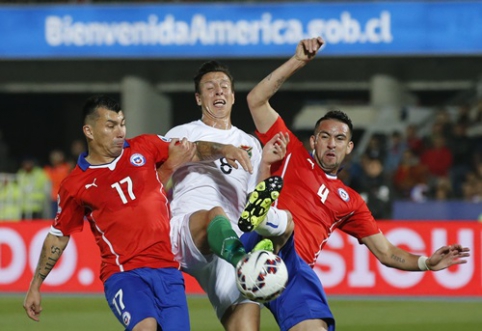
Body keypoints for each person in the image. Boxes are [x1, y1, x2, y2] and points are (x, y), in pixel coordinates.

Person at [242, 36, 471, 331]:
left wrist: (426, 262)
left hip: (291, 270)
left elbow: (386, 253)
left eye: (340, 139)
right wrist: (298, 60)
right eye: (324, 137)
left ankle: (264, 218)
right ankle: (263, 220)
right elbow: (256, 100)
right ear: (313, 141)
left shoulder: (350, 201)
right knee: (284, 223)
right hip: (251, 247)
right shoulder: (292, 154)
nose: (331, 144)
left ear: (349, 147)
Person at [23, 95, 254, 331]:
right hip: (125, 273)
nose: (120, 131)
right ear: (89, 131)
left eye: (122, 123)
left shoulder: (145, 146)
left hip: (168, 271)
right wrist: (35, 285)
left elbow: (192, 150)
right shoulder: (75, 184)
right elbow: (59, 236)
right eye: (111, 126)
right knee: (145, 326)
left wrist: (223, 148)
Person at [162, 61, 295, 331]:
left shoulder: (251, 144)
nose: (218, 92)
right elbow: (191, 150)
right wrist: (223, 149)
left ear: (233, 96)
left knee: (245, 320)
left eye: (224, 87)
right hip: (186, 230)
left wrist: (266, 165)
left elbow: (251, 206)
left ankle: (242, 261)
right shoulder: (182, 132)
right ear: (199, 99)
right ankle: (245, 262)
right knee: (215, 213)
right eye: (210, 88)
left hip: (229, 239)